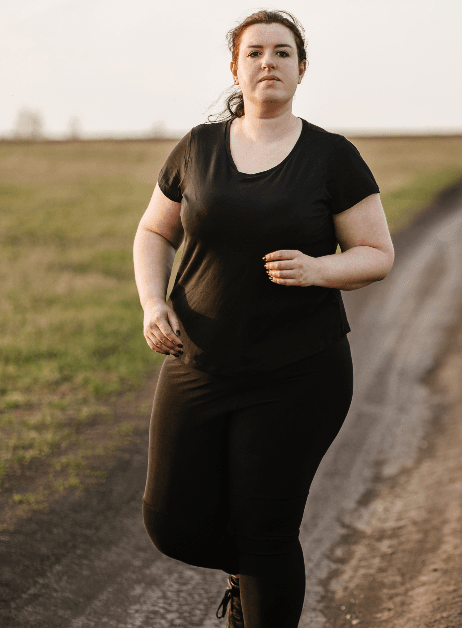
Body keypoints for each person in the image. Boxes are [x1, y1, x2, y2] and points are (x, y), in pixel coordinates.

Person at [131, 9, 394, 627]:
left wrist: (318, 269)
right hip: (197, 364)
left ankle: (257, 594)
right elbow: (152, 230)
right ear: (236, 68)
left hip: (298, 375)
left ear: (302, 70)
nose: (268, 63)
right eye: (255, 53)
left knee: (266, 528)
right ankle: (252, 578)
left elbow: (377, 254)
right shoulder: (197, 148)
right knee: (170, 522)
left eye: (282, 53)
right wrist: (152, 301)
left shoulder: (332, 157)